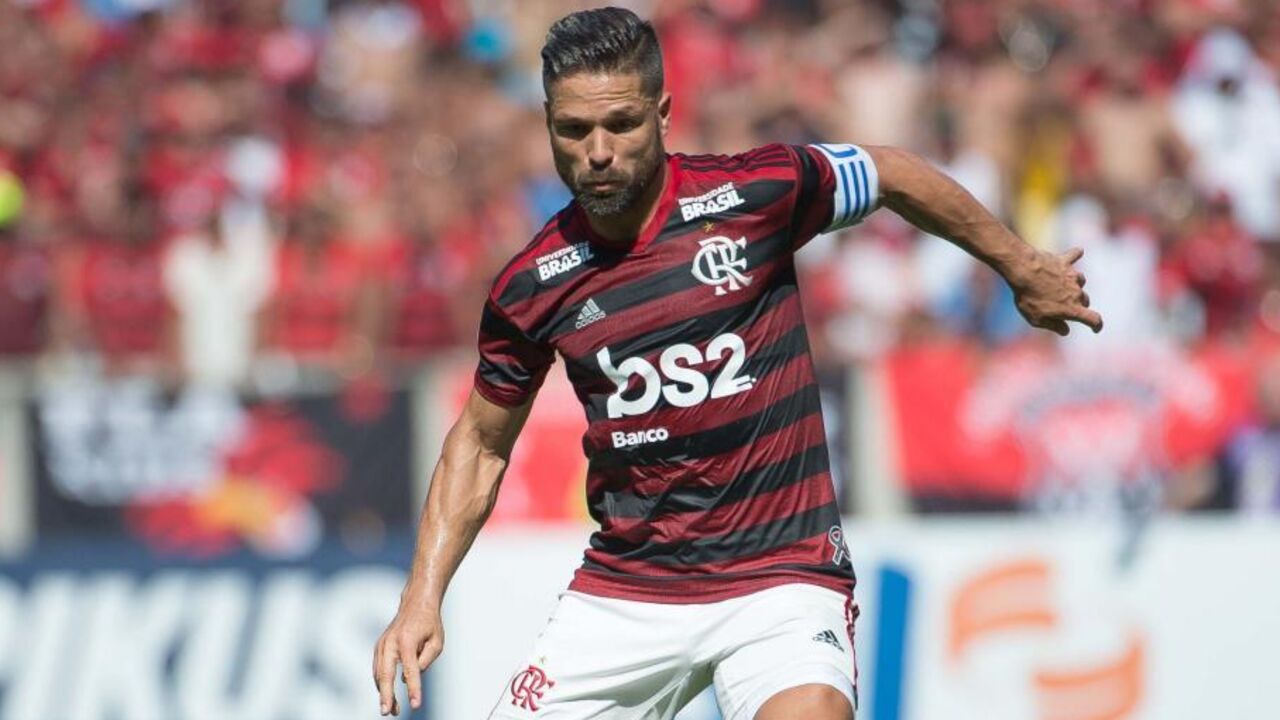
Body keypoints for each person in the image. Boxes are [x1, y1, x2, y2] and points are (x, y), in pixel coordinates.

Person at [373, 7, 1101, 720]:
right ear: (547, 125)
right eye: (574, 129)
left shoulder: (754, 195)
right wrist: (421, 598)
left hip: (782, 575)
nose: (598, 150)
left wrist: (1020, 264)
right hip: (631, 591)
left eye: (621, 123)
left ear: (662, 114)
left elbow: (890, 174)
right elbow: (480, 444)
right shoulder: (534, 284)